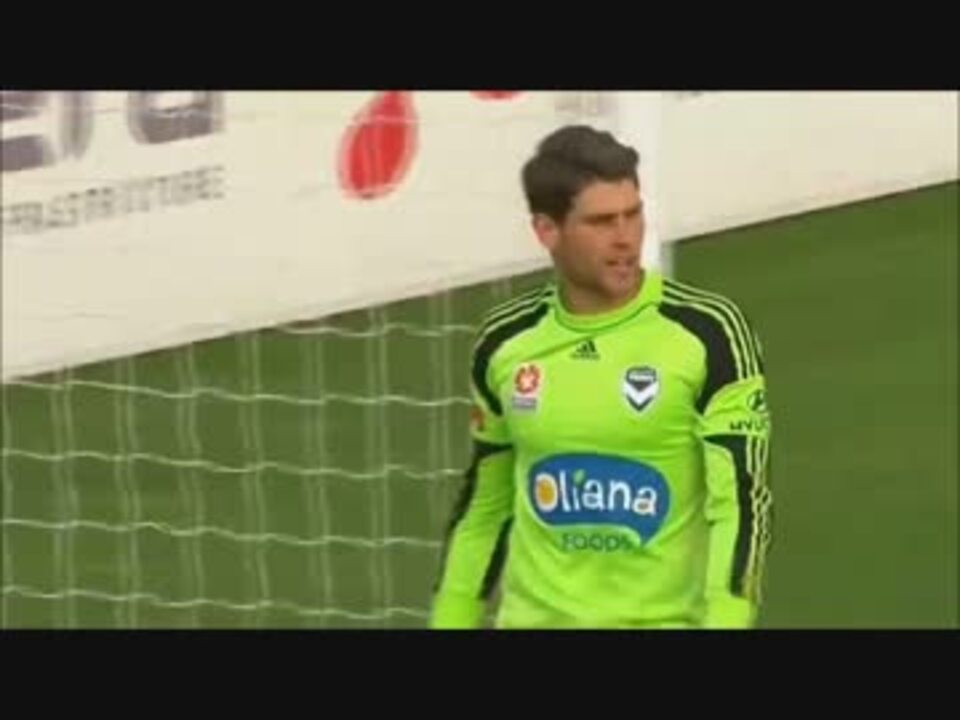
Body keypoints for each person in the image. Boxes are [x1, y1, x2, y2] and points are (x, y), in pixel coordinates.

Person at [429, 124, 773, 629]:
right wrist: (451, 618)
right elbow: (486, 504)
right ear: (547, 231)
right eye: (601, 222)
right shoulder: (506, 342)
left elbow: (741, 504)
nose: (626, 239)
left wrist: (727, 620)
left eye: (633, 215)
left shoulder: (708, 333)